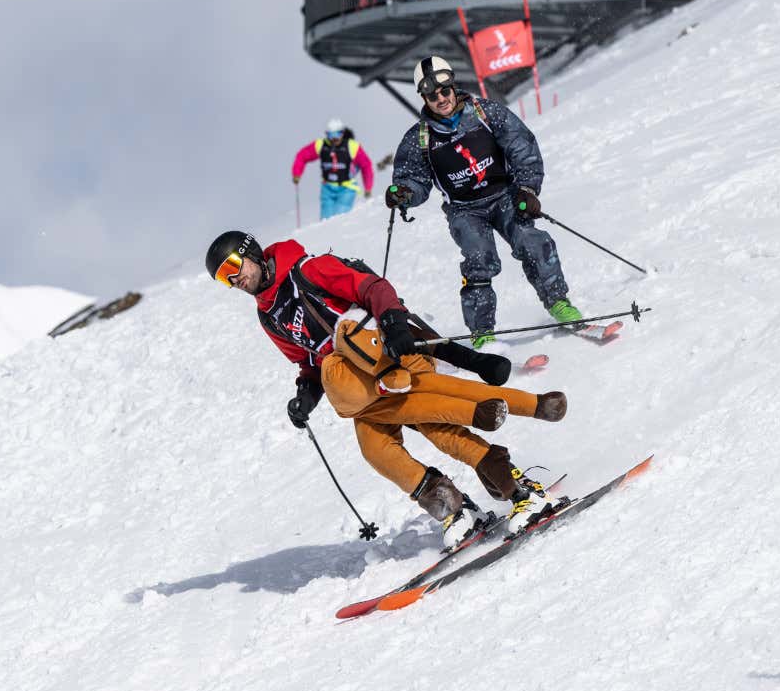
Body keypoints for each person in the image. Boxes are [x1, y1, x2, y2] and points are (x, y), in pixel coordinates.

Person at [204, 230, 567, 544]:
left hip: (391, 358)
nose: (234, 280)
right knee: (376, 449)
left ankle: (522, 492)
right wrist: (305, 396)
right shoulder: (268, 315)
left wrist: (393, 323)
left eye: (232, 268)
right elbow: (308, 362)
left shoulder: (307, 271)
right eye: (223, 279)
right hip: (359, 387)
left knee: (438, 427)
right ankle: (454, 508)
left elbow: (372, 288)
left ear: (251, 253)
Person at [387, 56, 582, 349]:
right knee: (479, 258)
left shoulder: (485, 112)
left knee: (532, 241)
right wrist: (404, 193)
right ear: (424, 98)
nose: (441, 99)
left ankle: (559, 303)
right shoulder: (419, 138)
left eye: (444, 91)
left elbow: (522, 147)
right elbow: (413, 180)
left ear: (453, 87)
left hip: (504, 196)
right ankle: (482, 333)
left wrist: (527, 189)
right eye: (432, 95)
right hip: (464, 210)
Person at [292, 118, 375, 220]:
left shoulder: (352, 146)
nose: (334, 138)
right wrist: (297, 173)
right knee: (325, 221)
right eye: (331, 135)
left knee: (338, 218)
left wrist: (368, 187)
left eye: (337, 134)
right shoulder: (321, 145)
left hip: (346, 189)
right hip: (327, 189)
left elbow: (366, 165)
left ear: (342, 133)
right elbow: (302, 156)